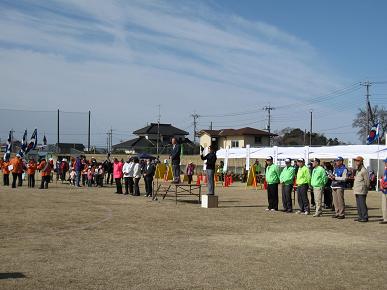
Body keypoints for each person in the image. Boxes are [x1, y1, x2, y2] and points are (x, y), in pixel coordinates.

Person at [352, 156, 370, 222]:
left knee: (362, 204)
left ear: (361, 162)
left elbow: (367, 181)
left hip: (362, 190)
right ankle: (360, 216)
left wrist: (366, 189)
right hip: (357, 190)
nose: (356, 162)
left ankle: (365, 217)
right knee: (358, 204)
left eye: (358, 161)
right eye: (356, 161)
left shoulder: (364, 170)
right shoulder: (358, 170)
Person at [380, 158, 387, 224]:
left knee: (385, 205)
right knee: (384, 205)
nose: (385, 163)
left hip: (385, 189)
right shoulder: (385, 169)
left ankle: (385, 219)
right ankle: (385, 217)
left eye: (386, 162)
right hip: (384, 189)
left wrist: (384, 186)